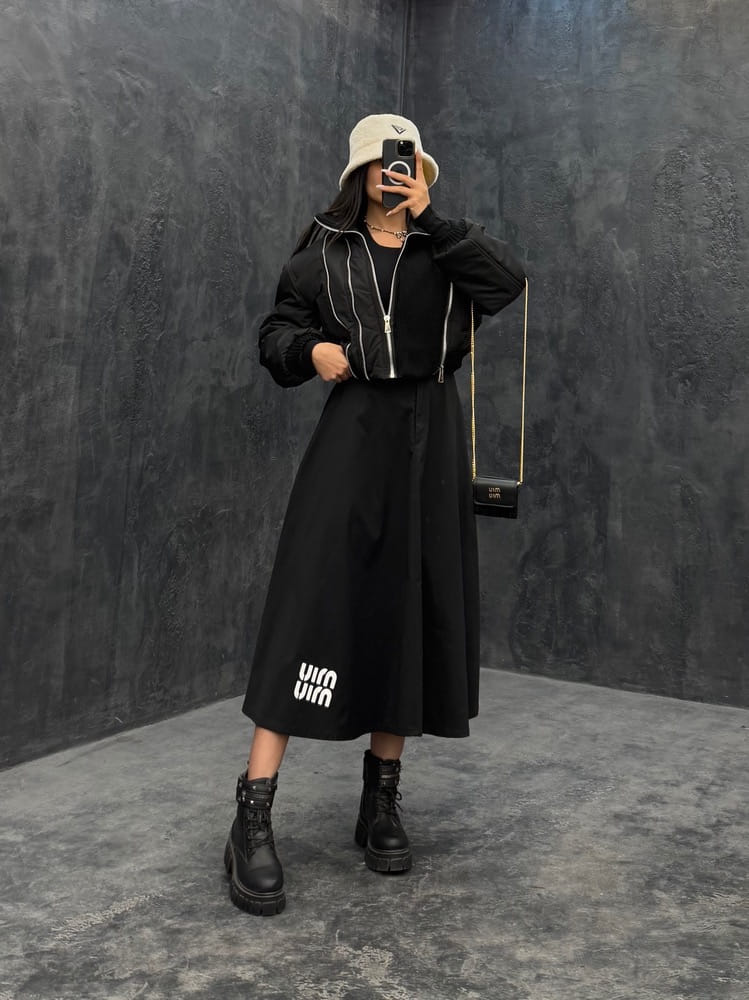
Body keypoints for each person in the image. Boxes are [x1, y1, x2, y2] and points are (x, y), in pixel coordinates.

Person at [224, 114, 526, 916]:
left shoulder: (447, 250)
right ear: (358, 172)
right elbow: (275, 335)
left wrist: (432, 218)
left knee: (407, 609)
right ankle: (251, 815)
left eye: (407, 165)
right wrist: (309, 351)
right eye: (384, 166)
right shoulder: (322, 252)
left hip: (431, 444)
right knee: (309, 610)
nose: (394, 177)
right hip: (353, 439)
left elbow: (507, 285)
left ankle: (380, 801)